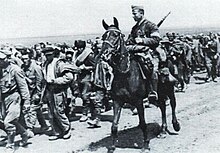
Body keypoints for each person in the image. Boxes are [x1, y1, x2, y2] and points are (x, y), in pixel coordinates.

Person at [126, 5, 161, 103]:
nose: (133, 16)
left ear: (141, 13)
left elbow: (156, 40)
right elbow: (130, 40)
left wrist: (142, 40)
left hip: (149, 53)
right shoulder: (135, 28)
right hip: (136, 53)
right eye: (132, 14)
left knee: (152, 69)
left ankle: (153, 91)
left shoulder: (151, 25)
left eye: (134, 14)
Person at [0, 51, 31, 152]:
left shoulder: (16, 70)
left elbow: (23, 87)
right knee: (6, 121)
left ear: (7, 58)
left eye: (2, 59)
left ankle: (10, 145)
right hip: (3, 99)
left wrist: (26, 102)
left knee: (8, 122)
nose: (1, 61)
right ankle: (24, 133)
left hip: (14, 97)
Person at [41, 46, 73, 140]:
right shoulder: (46, 64)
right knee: (51, 112)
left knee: (59, 111)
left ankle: (66, 129)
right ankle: (57, 131)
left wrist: (56, 81)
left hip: (59, 90)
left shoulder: (59, 64)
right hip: (49, 89)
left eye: (49, 55)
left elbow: (69, 77)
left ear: (53, 54)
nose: (48, 57)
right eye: (46, 55)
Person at [20, 50, 51, 134]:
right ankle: (44, 125)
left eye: (26, 59)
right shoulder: (23, 67)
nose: (24, 60)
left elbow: (40, 82)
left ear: (30, 58)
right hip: (28, 92)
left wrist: (39, 94)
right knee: (36, 110)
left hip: (36, 92)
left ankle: (30, 128)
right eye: (22, 59)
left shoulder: (36, 68)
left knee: (32, 110)